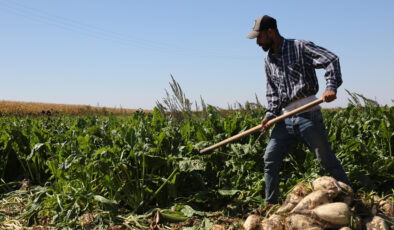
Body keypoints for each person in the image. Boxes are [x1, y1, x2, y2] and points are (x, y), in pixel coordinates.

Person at [247, 15, 351, 204]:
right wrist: (269, 115)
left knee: (325, 159)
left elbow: (331, 60)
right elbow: (272, 93)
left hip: (308, 113)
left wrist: (331, 86)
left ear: (270, 31)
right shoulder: (268, 60)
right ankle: (270, 206)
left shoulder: (299, 46)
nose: (258, 42)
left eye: (259, 36)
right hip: (284, 118)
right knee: (270, 159)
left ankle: (351, 198)